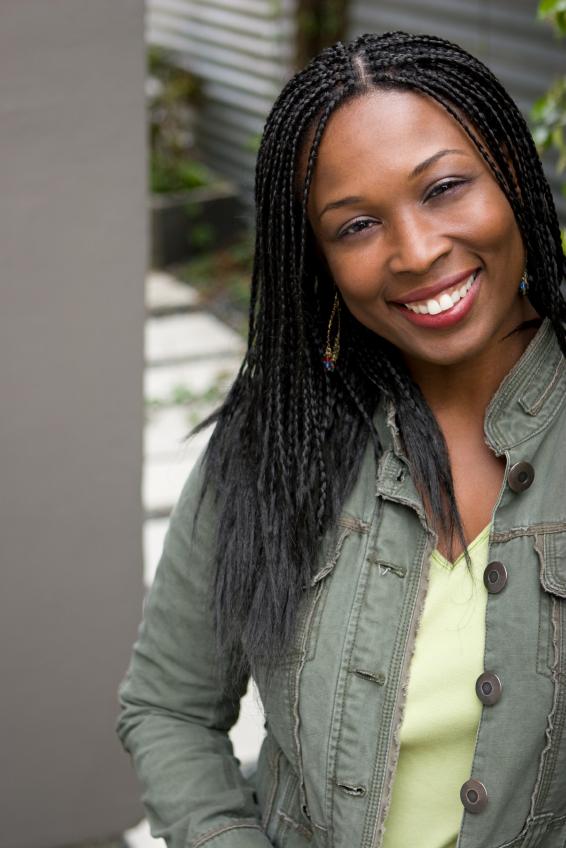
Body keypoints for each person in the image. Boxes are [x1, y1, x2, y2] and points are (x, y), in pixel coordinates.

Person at [116, 31, 566, 848]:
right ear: (318, 258)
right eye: (357, 225)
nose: (418, 251)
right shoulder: (271, 445)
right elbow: (168, 706)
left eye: (445, 188)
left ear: (508, 166)